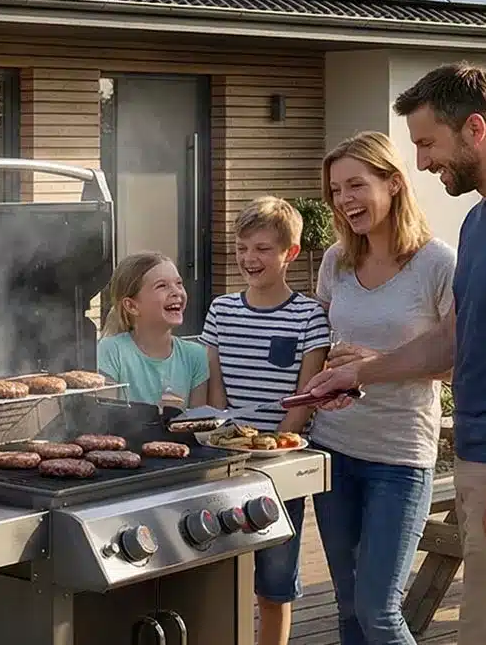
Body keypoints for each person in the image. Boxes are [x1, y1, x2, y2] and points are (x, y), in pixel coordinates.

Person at [306, 63, 486, 645]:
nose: (421, 162)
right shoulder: (482, 219)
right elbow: (453, 339)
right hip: (484, 452)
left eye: (426, 143)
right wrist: (358, 372)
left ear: (474, 130)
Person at [307, 132, 456, 645]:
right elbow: (322, 347)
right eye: (335, 191)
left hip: (399, 457)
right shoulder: (336, 262)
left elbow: (460, 363)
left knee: (378, 611)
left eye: (356, 184)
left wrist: (375, 365)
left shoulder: (438, 264)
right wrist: (327, 379)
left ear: (394, 183)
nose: (345, 199)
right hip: (334, 449)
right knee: (347, 609)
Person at [200, 197, 330, 645]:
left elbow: (305, 397)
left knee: (274, 583)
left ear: (289, 254)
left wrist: (274, 446)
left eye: (262, 249)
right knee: (220, 575)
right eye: (242, 248)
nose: (249, 259)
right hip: (224, 463)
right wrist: (222, 440)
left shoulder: (310, 315)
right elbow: (215, 386)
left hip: (278, 467)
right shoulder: (221, 310)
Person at [96, 251, 212, 408]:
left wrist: (175, 417)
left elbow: (200, 424)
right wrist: (154, 415)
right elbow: (106, 418)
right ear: (132, 306)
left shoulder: (195, 356)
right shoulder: (110, 351)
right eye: (162, 286)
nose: (176, 292)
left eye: (179, 283)